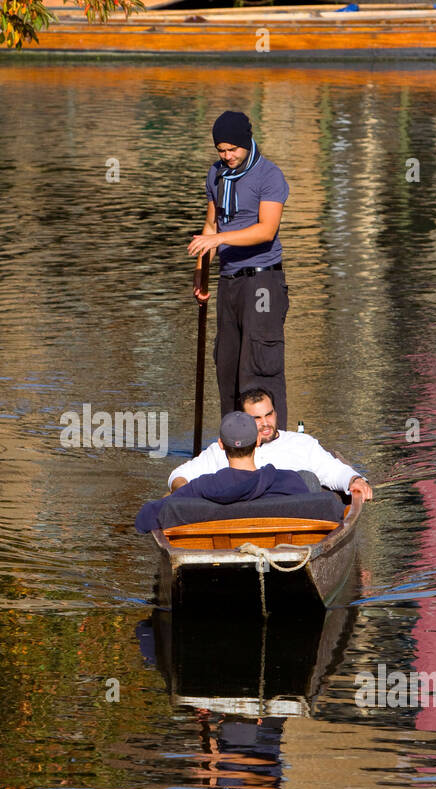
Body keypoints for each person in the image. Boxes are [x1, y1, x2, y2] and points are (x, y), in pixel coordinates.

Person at [188, 110, 292, 430]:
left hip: (263, 281)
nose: (228, 156)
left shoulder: (269, 176)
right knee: (228, 365)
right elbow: (210, 227)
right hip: (229, 281)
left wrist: (220, 238)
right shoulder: (216, 175)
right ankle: (236, 443)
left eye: (233, 149)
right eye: (221, 150)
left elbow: (266, 230)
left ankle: (271, 442)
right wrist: (200, 278)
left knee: (258, 366)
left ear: (247, 143)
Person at [168, 387, 373, 500]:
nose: (266, 424)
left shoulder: (301, 443)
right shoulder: (223, 450)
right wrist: (186, 495)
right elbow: (178, 477)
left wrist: (354, 479)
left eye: (269, 414)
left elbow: (333, 471)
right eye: (257, 418)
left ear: (275, 413)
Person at [135, 411, 310, 533]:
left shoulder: (200, 488)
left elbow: (144, 519)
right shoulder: (289, 480)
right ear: (258, 440)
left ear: (221, 444)